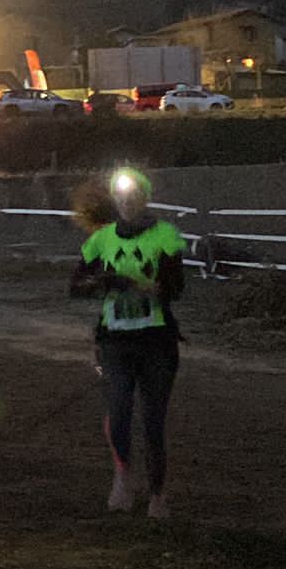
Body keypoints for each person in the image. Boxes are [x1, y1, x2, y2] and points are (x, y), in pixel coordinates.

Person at [69, 169, 186, 519]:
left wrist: (149, 286)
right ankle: (122, 478)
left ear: (144, 199)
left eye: (133, 197)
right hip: (115, 340)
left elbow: (176, 286)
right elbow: (75, 286)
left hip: (156, 341)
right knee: (119, 410)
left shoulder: (165, 235)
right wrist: (107, 281)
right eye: (121, 198)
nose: (127, 203)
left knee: (153, 418)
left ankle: (157, 493)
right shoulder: (101, 240)